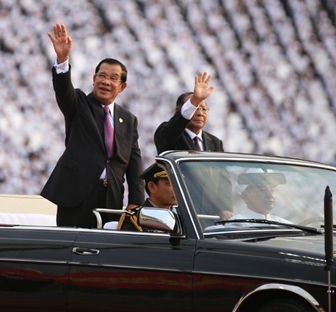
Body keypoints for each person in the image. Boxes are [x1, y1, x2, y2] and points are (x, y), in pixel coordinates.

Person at [40, 23, 144, 228]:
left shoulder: (128, 119)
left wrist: (136, 201)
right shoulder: (79, 104)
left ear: (122, 87)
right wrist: (62, 60)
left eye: (113, 78)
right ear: (94, 79)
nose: (106, 81)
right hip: (76, 196)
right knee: (72, 244)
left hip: (111, 199)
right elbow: (63, 91)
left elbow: (134, 163)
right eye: (102, 76)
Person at [153, 72, 232, 220]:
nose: (200, 113)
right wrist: (194, 100)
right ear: (178, 111)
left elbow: (223, 180)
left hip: (211, 215)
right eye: (196, 108)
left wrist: (226, 208)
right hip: (181, 212)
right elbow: (173, 127)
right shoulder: (169, 133)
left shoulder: (215, 142)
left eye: (204, 109)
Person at [120, 163, 176, 232]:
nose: (177, 189)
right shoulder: (135, 218)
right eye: (169, 184)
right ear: (152, 187)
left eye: (177, 184)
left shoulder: (181, 215)